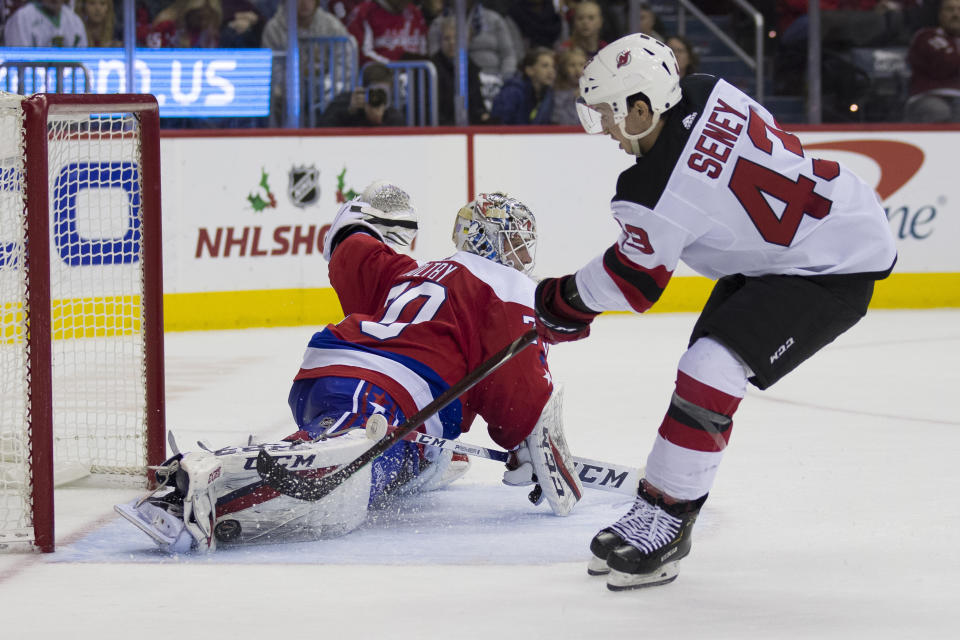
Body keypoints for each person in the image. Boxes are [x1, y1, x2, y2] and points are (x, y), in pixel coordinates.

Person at [532, 33, 897, 590]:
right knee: (700, 374)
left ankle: (670, 523)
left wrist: (560, 303)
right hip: (817, 228)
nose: (603, 127)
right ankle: (657, 504)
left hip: (832, 264)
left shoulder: (651, 188)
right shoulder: (705, 90)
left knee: (711, 370)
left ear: (641, 107)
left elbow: (632, 282)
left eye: (607, 113)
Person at [116, 183, 582, 552]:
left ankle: (422, 455)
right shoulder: (508, 286)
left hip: (344, 370)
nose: (523, 254)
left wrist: (364, 217)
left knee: (387, 463)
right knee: (343, 471)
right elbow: (515, 381)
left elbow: (352, 254)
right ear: (489, 238)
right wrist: (524, 439)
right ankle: (203, 480)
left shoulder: (419, 270)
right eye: (515, 240)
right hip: (379, 383)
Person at [261, 0, 352, 126]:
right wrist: (293, 81)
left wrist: (328, 87)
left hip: (324, 87)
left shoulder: (331, 25)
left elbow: (344, 62)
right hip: (287, 91)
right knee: (273, 98)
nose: (304, 3)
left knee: (341, 101)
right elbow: (273, 69)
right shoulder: (274, 28)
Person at [904, 0, 960, 122]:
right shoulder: (926, 36)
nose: (956, 14)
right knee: (940, 111)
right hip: (928, 96)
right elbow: (943, 66)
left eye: (959, 10)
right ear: (940, 14)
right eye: (950, 10)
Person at [432, 15, 490, 125]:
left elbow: (478, 106)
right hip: (441, 131)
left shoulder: (471, 68)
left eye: (456, 38)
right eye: (446, 38)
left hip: (468, 130)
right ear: (440, 41)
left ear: (467, 41)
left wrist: (483, 116)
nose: (452, 42)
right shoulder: (432, 70)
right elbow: (430, 112)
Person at [318, 61, 406, 126]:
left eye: (383, 92)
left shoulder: (393, 116)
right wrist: (349, 112)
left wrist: (379, 123)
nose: (377, 96)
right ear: (363, 89)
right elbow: (322, 131)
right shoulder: (344, 102)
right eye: (373, 91)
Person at [346, 0, 428, 65]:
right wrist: (393, 65)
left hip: (414, 76)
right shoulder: (365, 12)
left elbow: (423, 52)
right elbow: (363, 55)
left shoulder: (415, 13)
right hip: (381, 74)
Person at [490, 46, 557, 124]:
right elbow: (500, 123)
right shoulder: (512, 92)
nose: (551, 71)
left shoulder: (549, 94)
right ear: (529, 70)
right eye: (545, 66)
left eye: (553, 66)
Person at [3, 0, 87, 47]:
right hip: (33, 77)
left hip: (67, 77)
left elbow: (83, 58)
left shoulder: (75, 20)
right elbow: (19, 59)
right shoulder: (22, 18)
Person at [551, 45, 587, 125]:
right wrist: (572, 99)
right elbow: (559, 120)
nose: (577, 69)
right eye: (572, 65)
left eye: (581, 64)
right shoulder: (557, 92)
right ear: (564, 68)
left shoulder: (594, 90)